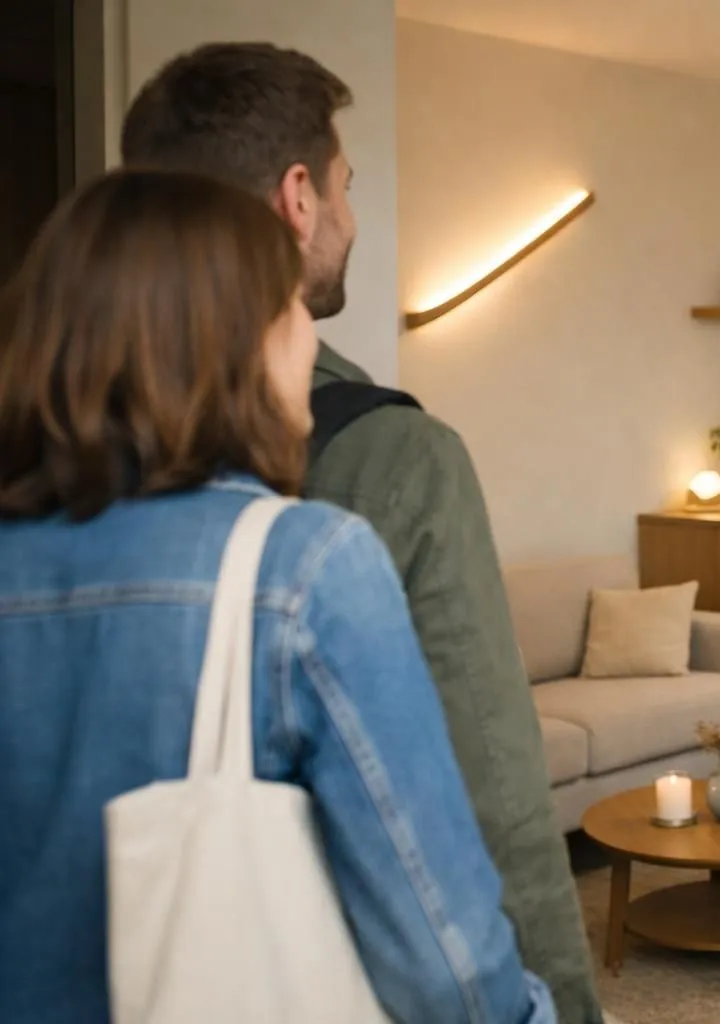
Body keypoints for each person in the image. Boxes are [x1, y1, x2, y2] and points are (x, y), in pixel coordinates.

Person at [118, 43, 603, 1023]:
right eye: (345, 185)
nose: (351, 213)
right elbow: (490, 804)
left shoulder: (48, 445)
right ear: (299, 199)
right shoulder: (396, 458)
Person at [0, 168, 555, 1023]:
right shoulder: (303, 568)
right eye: (290, 308)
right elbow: (446, 966)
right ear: (232, 341)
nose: (310, 341)